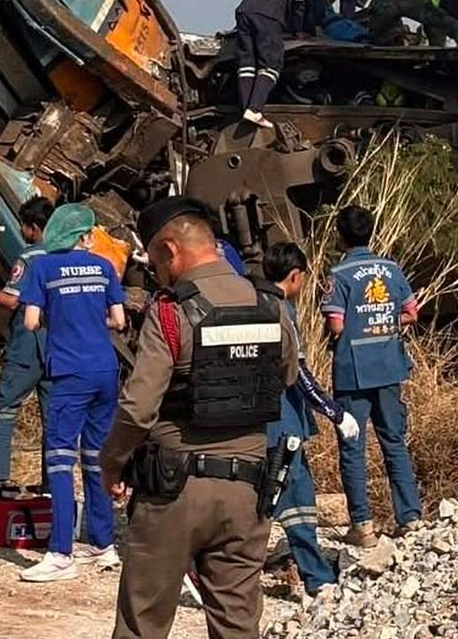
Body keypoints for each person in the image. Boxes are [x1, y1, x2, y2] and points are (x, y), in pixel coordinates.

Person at [101, 196, 297, 639]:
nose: (154, 271)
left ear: (170, 250)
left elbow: (138, 407)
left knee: (142, 622)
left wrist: (110, 462)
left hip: (173, 490)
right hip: (248, 493)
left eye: (154, 260)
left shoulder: (171, 311)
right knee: (237, 625)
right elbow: (286, 375)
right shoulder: (270, 303)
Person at [18, 203, 126, 582]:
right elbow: (119, 320)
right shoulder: (104, 267)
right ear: (84, 235)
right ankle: (104, 545)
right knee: (96, 458)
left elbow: (30, 322)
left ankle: (61, 553)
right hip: (105, 371)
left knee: (61, 461)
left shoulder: (43, 267)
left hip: (69, 372)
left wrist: (56, 316)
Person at [262, 241, 360, 597]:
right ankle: (318, 578)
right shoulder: (282, 310)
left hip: (256, 422)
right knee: (296, 500)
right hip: (282, 424)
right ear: (295, 276)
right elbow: (298, 375)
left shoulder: (252, 302)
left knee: (261, 500)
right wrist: (334, 411)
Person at [322, 205, 423, 546]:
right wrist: (388, 323)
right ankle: (410, 517)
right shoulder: (391, 269)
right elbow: (412, 313)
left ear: (340, 235)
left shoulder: (339, 275)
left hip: (353, 373)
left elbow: (336, 326)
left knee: (353, 447)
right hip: (390, 366)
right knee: (394, 441)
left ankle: (362, 525)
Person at [0, 195, 54, 496]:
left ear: (32, 228)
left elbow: (12, 300)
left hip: (28, 346)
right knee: (54, 418)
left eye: (24, 226)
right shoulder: (65, 255)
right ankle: (51, 483)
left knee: (4, 409)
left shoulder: (30, 257)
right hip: (57, 346)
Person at [234, 0, 309, 129]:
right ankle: (255, 109)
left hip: (245, 9)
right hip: (268, 14)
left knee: (247, 62)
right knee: (271, 63)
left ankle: (246, 109)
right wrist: (297, 31)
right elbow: (298, 6)